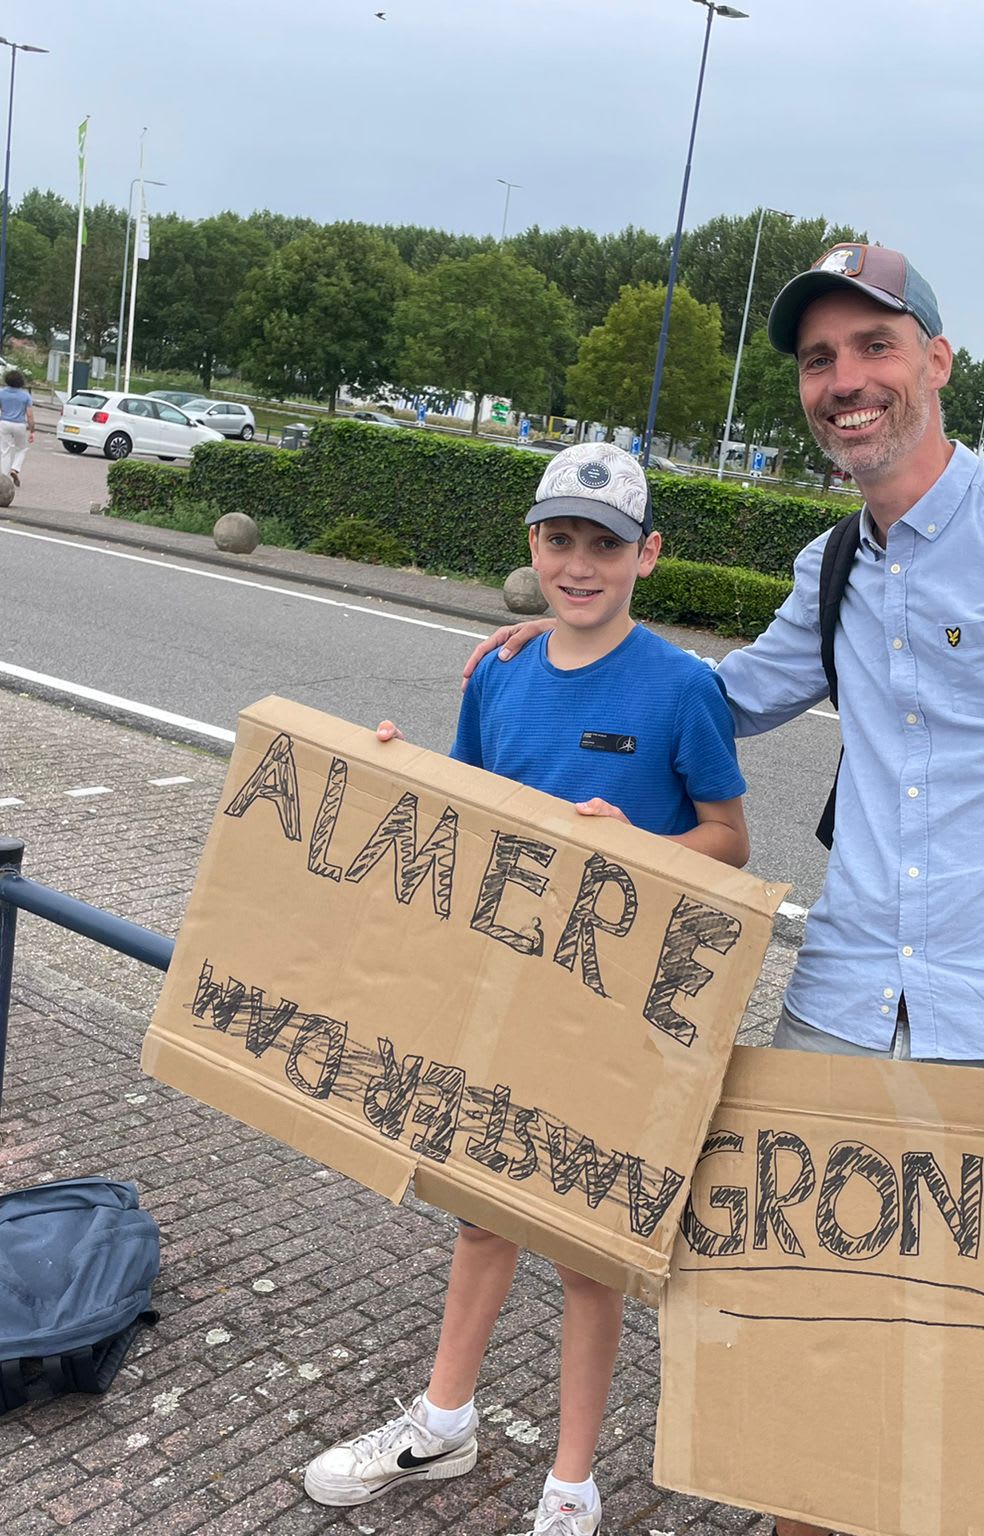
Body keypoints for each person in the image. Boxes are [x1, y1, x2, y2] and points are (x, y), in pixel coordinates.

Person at [472, 248, 984, 1532]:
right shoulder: (834, 566)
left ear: (935, 363)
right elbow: (721, 702)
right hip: (843, 1001)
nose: (844, 381)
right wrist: (578, 647)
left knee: (971, 1349)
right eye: (817, 360)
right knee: (809, 1327)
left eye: (873, 347)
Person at [303, 441, 750, 1536]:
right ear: (531, 547)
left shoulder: (685, 688)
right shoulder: (496, 670)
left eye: (604, 544)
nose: (579, 564)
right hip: (501, 988)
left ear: (647, 555)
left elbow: (731, 841)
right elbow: (466, 808)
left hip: (616, 1009)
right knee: (479, 1215)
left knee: (586, 1250)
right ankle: (442, 1421)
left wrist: (642, 843)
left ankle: (572, 1482)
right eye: (560, 540)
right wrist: (397, 773)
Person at [0, 369, 35, 486]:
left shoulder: (0, 393)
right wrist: (32, 431)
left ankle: (4, 478)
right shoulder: (25, 396)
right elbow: (29, 415)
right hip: (19, 424)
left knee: (5, 451)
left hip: (4, 423)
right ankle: (15, 468)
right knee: (21, 448)